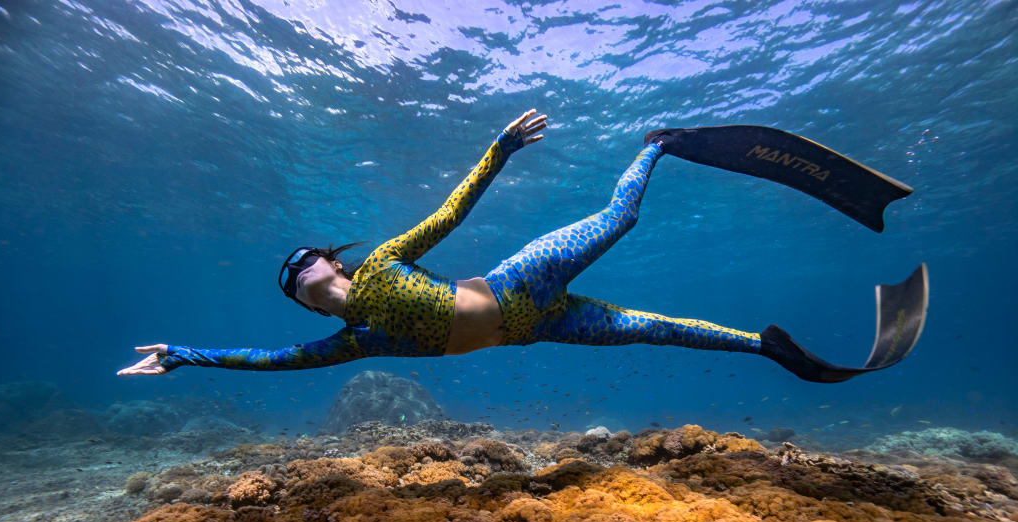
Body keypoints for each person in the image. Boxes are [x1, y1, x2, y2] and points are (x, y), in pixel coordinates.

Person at [119, 110, 927, 383]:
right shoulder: (350, 342)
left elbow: (452, 211)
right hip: (539, 327)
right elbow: (266, 361)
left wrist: (498, 151)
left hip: (520, 282)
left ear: (331, 260)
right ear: (304, 297)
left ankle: (660, 144)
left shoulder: (386, 261)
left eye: (305, 261)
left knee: (620, 222)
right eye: (291, 280)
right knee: (656, 329)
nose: (299, 275)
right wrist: (183, 355)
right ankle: (770, 349)